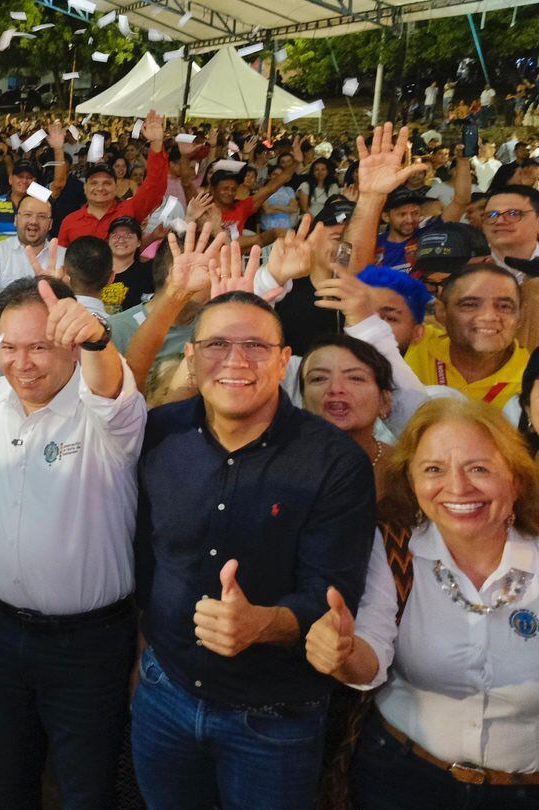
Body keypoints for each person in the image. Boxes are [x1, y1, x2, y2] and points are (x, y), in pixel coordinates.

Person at [133, 290, 375, 810]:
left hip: (274, 718)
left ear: (284, 360)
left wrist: (262, 623)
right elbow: (147, 558)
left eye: (256, 346)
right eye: (217, 344)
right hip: (164, 692)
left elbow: (331, 594)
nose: (236, 360)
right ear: (191, 356)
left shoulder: (334, 463)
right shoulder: (158, 433)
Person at [306, 398, 539, 807]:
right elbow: (372, 652)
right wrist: (343, 653)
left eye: (479, 468)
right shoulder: (393, 545)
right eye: (433, 469)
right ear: (411, 481)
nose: (458, 487)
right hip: (401, 778)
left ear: (516, 480)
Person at [0, 276, 146, 809]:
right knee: (6, 781)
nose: (22, 363)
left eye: (40, 347)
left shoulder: (105, 413)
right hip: (1, 632)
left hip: (87, 647)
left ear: (71, 346)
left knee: (86, 790)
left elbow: (111, 392)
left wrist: (99, 341)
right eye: (10, 347)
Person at [403, 263, 530, 410]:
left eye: (504, 306)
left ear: (520, 317)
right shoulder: (414, 342)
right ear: (442, 312)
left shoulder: (531, 378)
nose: (489, 317)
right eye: (470, 304)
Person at [298, 333, 396, 492]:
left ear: (384, 401)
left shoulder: (405, 468)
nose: (335, 388)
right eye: (318, 378)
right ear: (303, 400)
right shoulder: (279, 466)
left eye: (355, 378)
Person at [54, 109, 168, 243]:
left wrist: (156, 143)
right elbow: (61, 256)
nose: (100, 188)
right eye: (94, 183)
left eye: (107, 183)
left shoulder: (129, 210)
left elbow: (155, 187)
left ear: (115, 187)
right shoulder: (70, 222)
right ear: (85, 188)